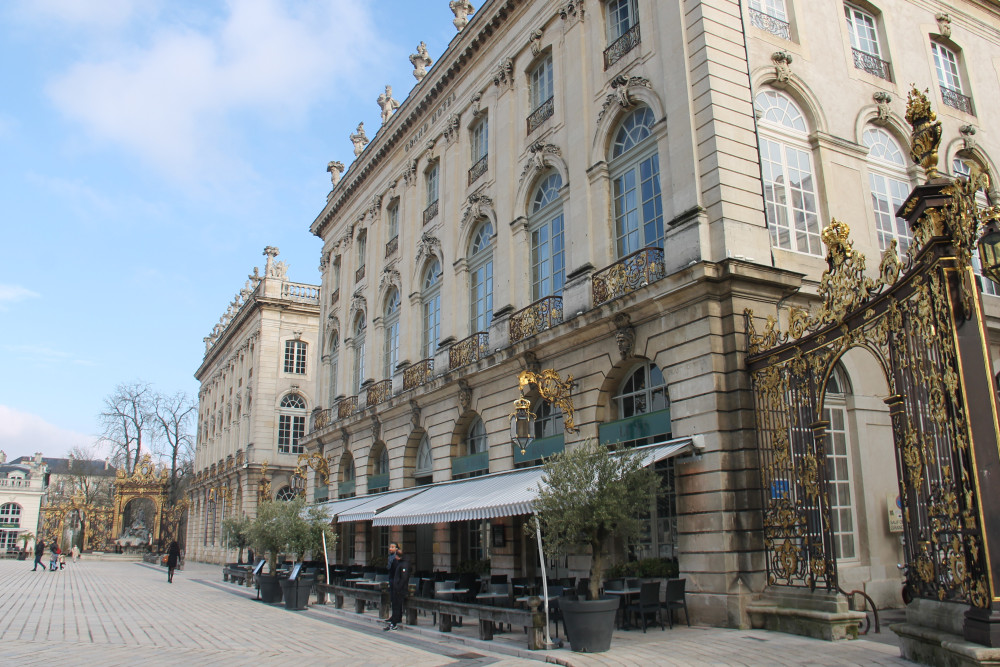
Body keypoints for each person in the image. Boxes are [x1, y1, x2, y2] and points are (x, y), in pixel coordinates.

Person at [383, 542, 411, 631]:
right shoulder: (399, 562)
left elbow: (404, 578)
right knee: (395, 604)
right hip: (396, 586)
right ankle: (394, 620)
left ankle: (394, 623)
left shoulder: (403, 564)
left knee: (397, 605)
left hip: (399, 589)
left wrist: (398, 587)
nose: (395, 558)